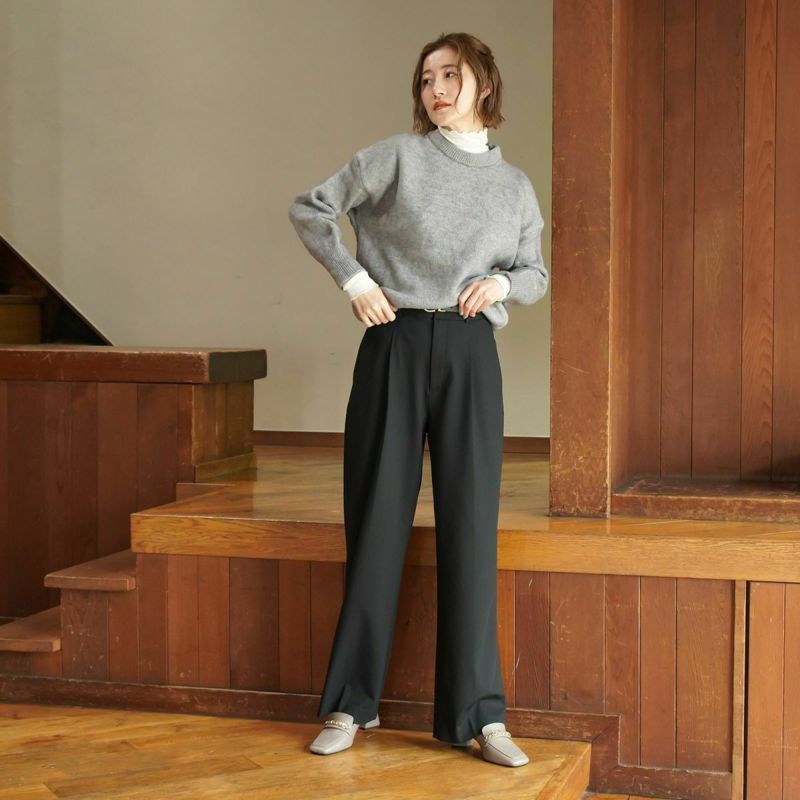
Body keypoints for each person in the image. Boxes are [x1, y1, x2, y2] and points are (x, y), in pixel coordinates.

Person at [287, 31, 548, 768]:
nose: (436, 89)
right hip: (394, 344)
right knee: (376, 521)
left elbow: (535, 273)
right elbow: (312, 209)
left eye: (450, 75)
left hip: (470, 353)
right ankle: (350, 703)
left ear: (483, 84)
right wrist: (355, 280)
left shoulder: (514, 186)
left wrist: (502, 283)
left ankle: (480, 714)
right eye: (427, 78)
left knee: (472, 530)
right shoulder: (396, 158)